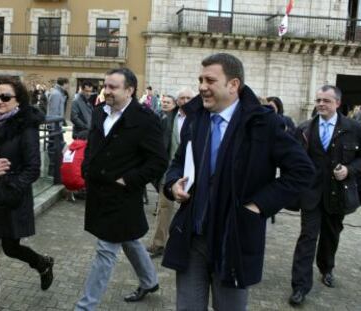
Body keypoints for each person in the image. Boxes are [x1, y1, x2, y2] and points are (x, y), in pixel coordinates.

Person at [162, 53, 314, 310]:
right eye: (200, 79)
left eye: (210, 80)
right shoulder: (195, 118)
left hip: (233, 240)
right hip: (192, 238)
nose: (202, 87)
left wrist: (258, 206)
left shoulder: (263, 123)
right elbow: (178, 162)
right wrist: (174, 183)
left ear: (233, 85)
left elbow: (302, 171)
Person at [75, 68, 168, 310]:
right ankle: (150, 281)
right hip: (98, 192)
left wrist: (129, 180)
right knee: (128, 239)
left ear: (130, 90)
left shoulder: (146, 119)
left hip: (123, 196)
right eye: (106, 86)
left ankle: (85, 306)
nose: (107, 91)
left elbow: (158, 161)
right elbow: (93, 145)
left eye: (113, 87)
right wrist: (86, 168)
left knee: (106, 250)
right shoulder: (98, 112)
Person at [0, 76, 54, 311]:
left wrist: (11, 187)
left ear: (18, 100)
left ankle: (43, 263)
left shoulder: (27, 126)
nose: (0, 101)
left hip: (12, 195)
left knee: (12, 247)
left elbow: (33, 168)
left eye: (6, 97)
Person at [289, 85, 361, 306]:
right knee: (307, 238)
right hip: (311, 194)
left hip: (337, 194)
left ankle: (326, 267)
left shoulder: (353, 128)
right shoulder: (304, 128)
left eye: (326, 100)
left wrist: (349, 170)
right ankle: (300, 287)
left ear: (337, 103)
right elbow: (293, 158)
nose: (321, 103)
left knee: (331, 235)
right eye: (318, 100)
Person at [147, 88, 195, 258]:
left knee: (191, 211)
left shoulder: (201, 119)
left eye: (189, 97)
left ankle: (187, 246)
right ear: (178, 101)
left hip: (193, 173)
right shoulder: (168, 118)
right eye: (182, 98)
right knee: (164, 208)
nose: (186, 100)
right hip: (168, 171)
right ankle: (159, 244)